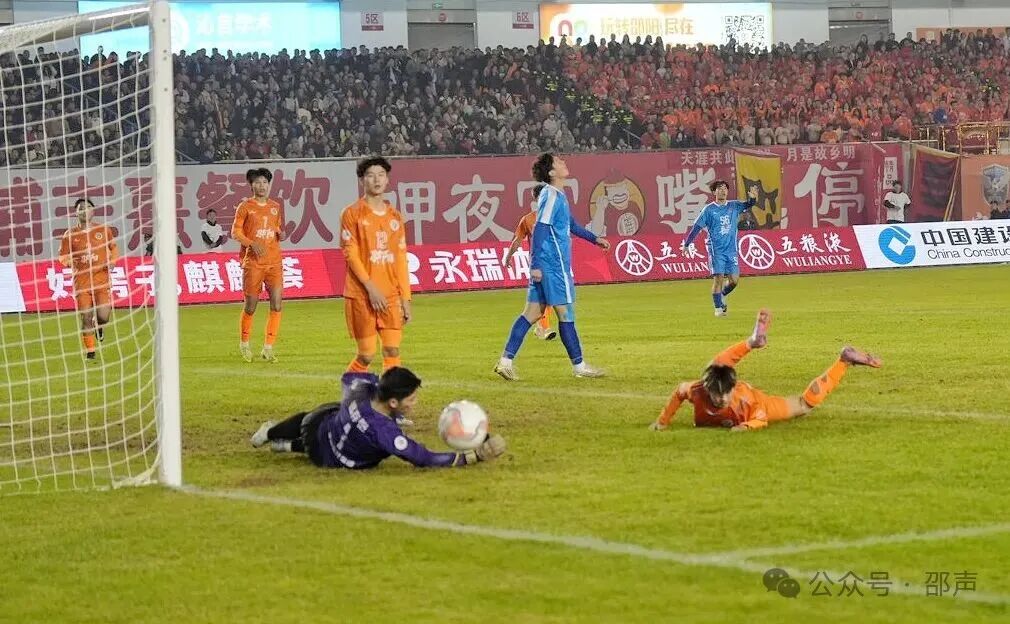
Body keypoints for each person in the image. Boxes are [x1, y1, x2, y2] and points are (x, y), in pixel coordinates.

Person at [648, 309, 881, 432]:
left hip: (762, 403)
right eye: (716, 395)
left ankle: (843, 360)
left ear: (733, 389)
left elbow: (759, 420)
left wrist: (745, 427)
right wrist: (662, 421)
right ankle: (752, 341)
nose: (720, 400)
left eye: (724, 395)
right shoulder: (698, 389)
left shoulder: (746, 401)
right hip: (717, 378)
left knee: (804, 405)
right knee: (715, 367)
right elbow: (679, 392)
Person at [494, 153, 610, 381]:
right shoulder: (552, 195)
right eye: (559, 162)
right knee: (566, 314)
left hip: (546, 265)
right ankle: (580, 366)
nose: (564, 163)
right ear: (551, 172)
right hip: (553, 266)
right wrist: (537, 264)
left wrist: (594, 239)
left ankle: (505, 362)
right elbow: (541, 228)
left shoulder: (556, 195)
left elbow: (571, 225)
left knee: (531, 313)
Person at [250, 367, 508, 469]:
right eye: (411, 399)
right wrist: (474, 456)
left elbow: (351, 377)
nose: (415, 403)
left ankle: (275, 437)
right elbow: (423, 458)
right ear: (393, 402)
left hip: (321, 431)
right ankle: (281, 440)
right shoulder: (386, 433)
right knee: (340, 428)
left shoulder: (360, 389)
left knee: (322, 414)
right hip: (330, 460)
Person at [340, 156, 412, 375]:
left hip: (390, 295)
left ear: (387, 179)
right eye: (370, 175)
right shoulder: (352, 213)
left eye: (381, 175)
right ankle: (350, 390)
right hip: (361, 295)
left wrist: (405, 298)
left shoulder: (395, 217)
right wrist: (371, 288)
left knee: (392, 349)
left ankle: (390, 395)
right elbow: (351, 254)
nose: (376, 180)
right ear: (362, 180)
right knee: (367, 354)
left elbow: (400, 259)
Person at [231, 167, 284, 363]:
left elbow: (276, 228)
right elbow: (235, 232)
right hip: (253, 263)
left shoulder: (275, 207)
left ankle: (268, 348)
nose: (262, 186)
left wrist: (280, 233)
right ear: (251, 185)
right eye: (257, 182)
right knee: (251, 306)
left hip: (274, 262)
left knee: (277, 304)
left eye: (265, 182)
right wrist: (251, 243)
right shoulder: (245, 207)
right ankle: (244, 343)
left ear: (269, 185)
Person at [682, 180, 757, 317]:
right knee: (719, 278)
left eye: (725, 188)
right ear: (714, 192)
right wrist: (687, 244)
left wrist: (752, 198)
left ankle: (721, 295)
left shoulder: (734, 205)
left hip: (731, 250)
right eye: (719, 188)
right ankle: (718, 309)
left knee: (734, 280)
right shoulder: (709, 210)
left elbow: (748, 204)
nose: (723, 190)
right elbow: (697, 228)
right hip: (716, 250)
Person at [58, 198, 118, 360]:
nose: (85, 210)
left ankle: (99, 326)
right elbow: (62, 256)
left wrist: (112, 262)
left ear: (93, 210)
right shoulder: (70, 235)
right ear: (76, 212)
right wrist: (70, 262)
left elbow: (113, 247)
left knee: (103, 317)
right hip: (82, 283)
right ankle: (90, 352)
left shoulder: (103, 230)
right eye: (81, 208)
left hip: (101, 281)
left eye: (88, 207)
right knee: (85, 317)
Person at [503, 202, 556, 341]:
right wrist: (508, 256)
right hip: (537, 264)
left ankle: (539, 326)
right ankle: (545, 328)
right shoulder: (527, 219)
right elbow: (518, 240)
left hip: (552, 262)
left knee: (547, 297)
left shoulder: (554, 217)